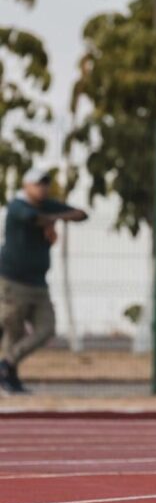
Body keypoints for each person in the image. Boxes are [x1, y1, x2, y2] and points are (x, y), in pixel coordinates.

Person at [0, 167, 87, 395]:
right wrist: (53, 219)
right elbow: (33, 219)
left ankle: (6, 365)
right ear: (26, 185)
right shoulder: (18, 206)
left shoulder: (48, 206)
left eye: (45, 184)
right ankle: (10, 380)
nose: (43, 188)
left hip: (38, 282)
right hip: (13, 281)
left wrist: (55, 217)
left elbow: (80, 214)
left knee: (47, 328)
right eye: (38, 184)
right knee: (14, 330)